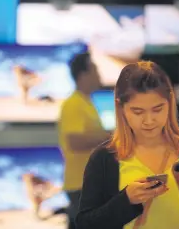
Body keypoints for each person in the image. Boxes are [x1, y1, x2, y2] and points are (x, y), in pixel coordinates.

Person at [76, 61, 179, 229]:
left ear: (170, 102)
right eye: (138, 112)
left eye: (158, 109)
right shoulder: (104, 159)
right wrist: (126, 200)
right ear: (121, 108)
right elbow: (85, 224)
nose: (149, 121)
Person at [58, 52, 112, 229]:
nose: (99, 75)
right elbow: (75, 141)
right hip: (80, 185)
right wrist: (108, 136)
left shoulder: (86, 103)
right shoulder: (73, 104)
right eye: (95, 70)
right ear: (83, 75)